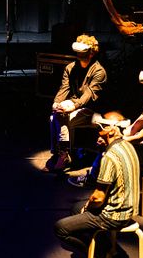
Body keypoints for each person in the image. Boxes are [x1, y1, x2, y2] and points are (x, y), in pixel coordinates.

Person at [54, 115, 140, 258]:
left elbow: (98, 197)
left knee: (60, 228)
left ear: (113, 130)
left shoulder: (110, 157)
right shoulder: (127, 145)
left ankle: (101, 257)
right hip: (128, 208)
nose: (98, 131)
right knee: (76, 208)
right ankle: (104, 247)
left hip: (114, 215)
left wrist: (88, 206)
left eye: (103, 127)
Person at [44, 34, 108, 173]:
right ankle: (61, 155)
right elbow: (64, 88)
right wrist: (56, 103)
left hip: (91, 109)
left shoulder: (99, 71)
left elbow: (89, 95)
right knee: (55, 115)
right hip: (75, 103)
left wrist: (73, 107)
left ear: (91, 53)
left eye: (83, 53)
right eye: (78, 53)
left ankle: (60, 155)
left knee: (59, 117)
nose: (80, 55)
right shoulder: (70, 68)